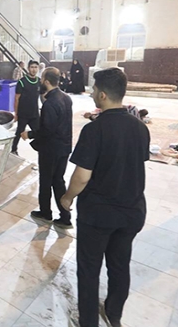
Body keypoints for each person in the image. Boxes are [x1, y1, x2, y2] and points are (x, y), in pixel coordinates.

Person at [60, 68, 150, 327]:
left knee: (89, 269)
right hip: (132, 211)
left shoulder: (94, 130)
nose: (90, 94)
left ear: (102, 95)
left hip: (98, 214)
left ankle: (88, 321)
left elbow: (82, 177)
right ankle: (114, 313)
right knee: (120, 265)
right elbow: (134, 163)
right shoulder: (140, 128)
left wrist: (67, 198)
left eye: (93, 90)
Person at [21, 67, 73, 228]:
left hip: (50, 150)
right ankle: (65, 217)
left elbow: (47, 130)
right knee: (58, 181)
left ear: (47, 82)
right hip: (64, 148)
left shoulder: (50, 104)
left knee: (46, 181)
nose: (40, 81)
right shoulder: (66, 98)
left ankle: (46, 212)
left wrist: (29, 134)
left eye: (42, 78)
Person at [11, 60, 42, 156]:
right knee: (19, 132)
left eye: (36, 67)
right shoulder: (22, 82)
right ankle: (13, 149)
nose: (34, 69)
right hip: (23, 113)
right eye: (32, 67)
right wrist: (16, 114)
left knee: (39, 133)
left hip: (34, 114)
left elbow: (42, 96)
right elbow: (16, 99)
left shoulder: (39, 81)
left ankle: (41, 150)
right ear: (28, 68)